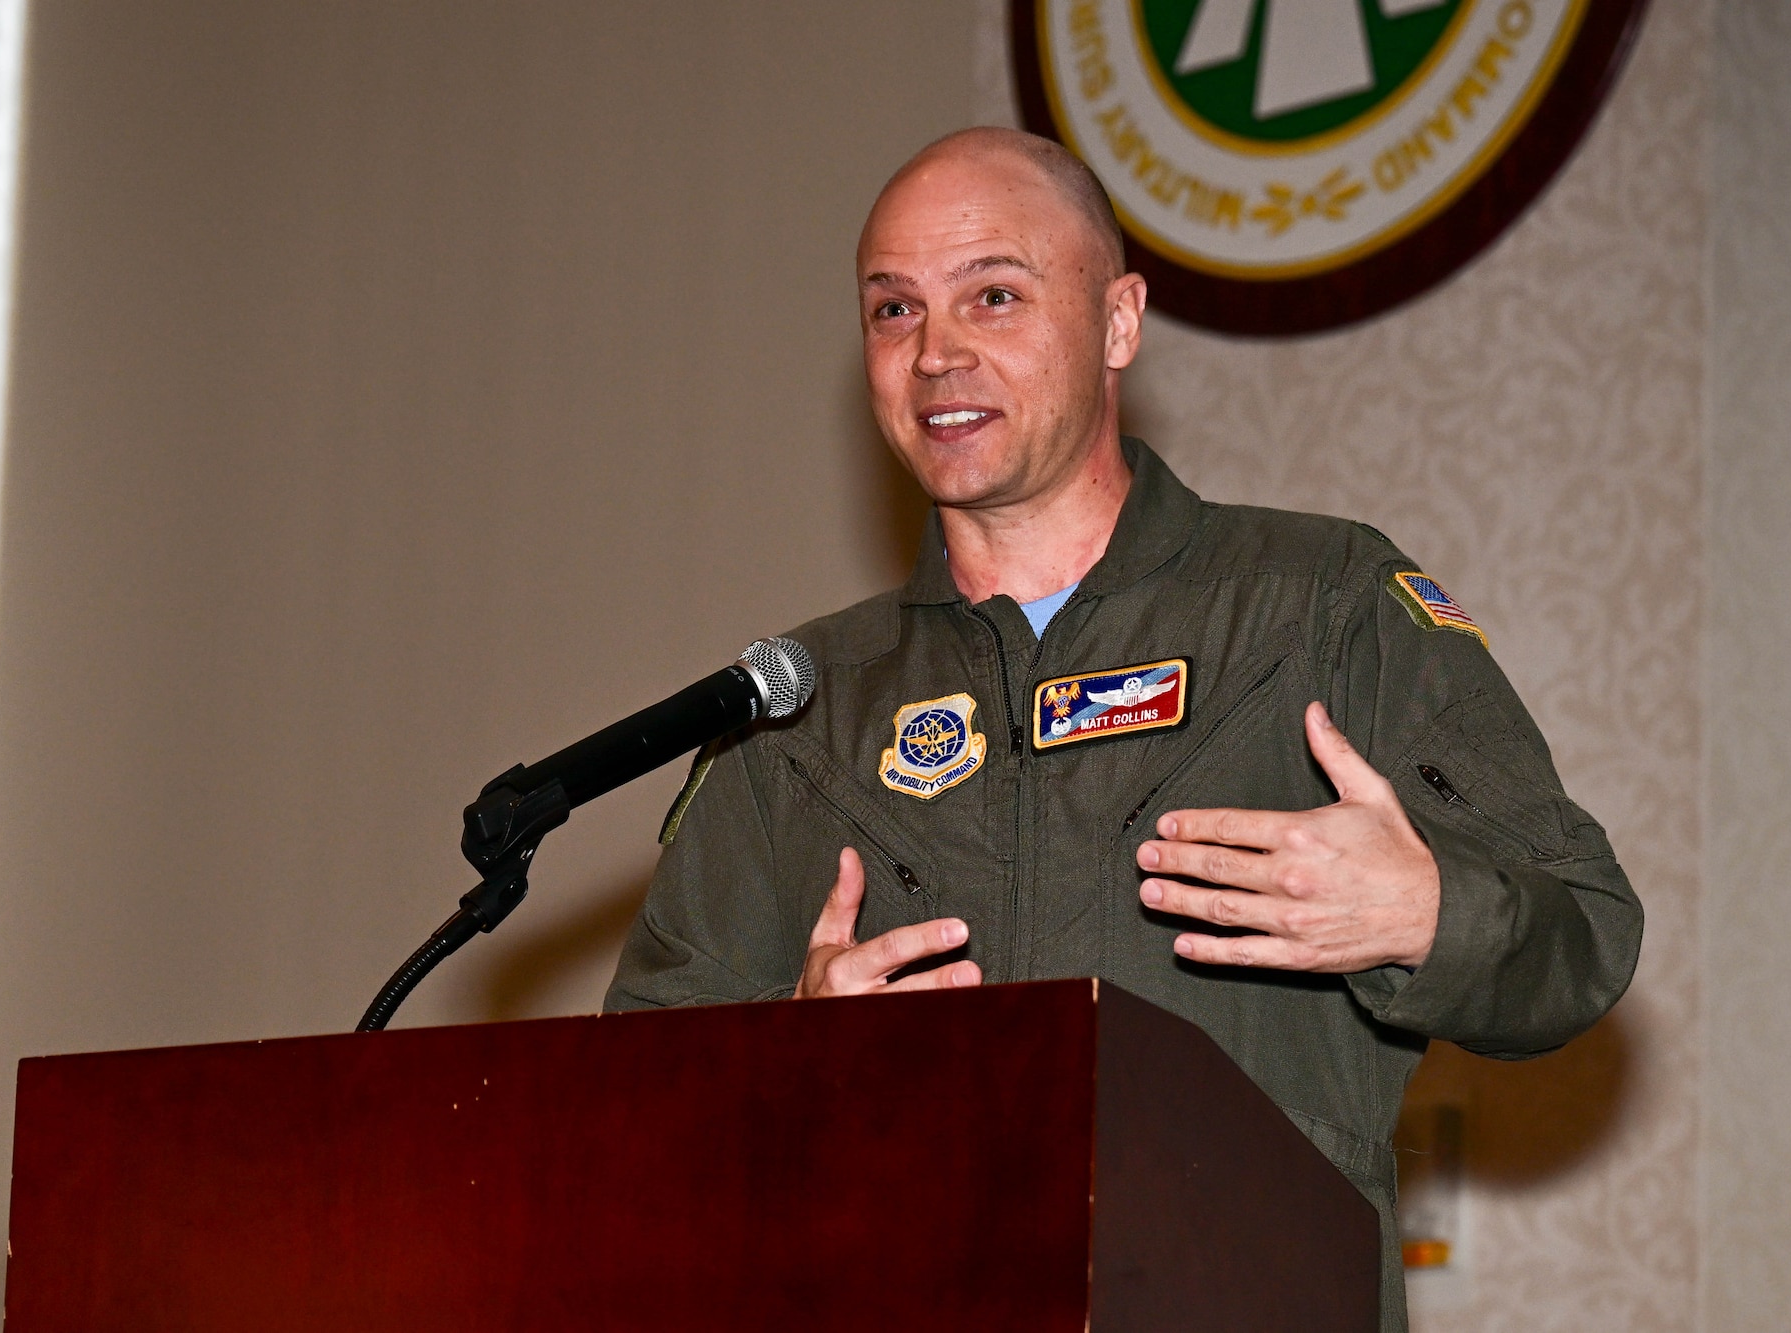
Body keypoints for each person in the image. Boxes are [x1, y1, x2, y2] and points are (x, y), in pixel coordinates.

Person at [605, 126, 1641, 1330]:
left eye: (992, 295)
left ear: (1115, 323)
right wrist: (787, 1055)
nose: (936, 352)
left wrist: (1427, 915)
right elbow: (633, 1104)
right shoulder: (802, 701)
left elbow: (1584, 929)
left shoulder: (1316, 604)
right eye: (892, 311)